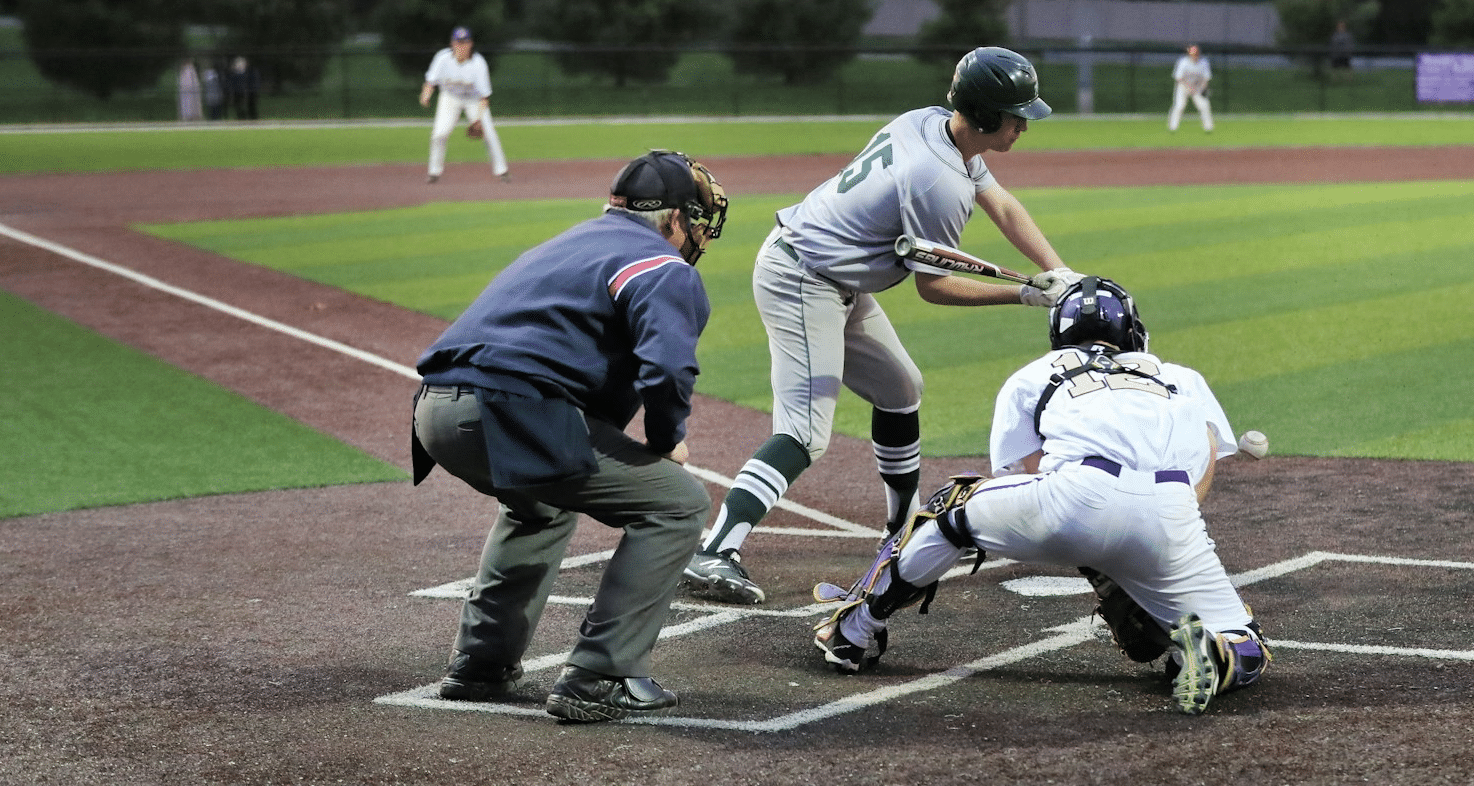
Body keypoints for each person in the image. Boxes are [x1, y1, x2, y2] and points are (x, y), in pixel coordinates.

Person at [679, 46, 1083, 606]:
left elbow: (1004, 205)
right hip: (802, 276)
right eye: (1015, 114)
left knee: (900, 388)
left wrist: (1058, 271)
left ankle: (902, 531)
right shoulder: (935, 181)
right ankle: (716, 550)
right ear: (986, 115)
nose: (1022, 124)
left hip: (840, 277)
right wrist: (1021, 294)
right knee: (804, 432)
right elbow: (933, 285)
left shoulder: (932, 124)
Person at [812, 277, 1271, 716]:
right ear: (1133, 331)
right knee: (1245, 638)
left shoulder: (1036, 373)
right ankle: (1212, 652)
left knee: (953, 508)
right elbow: (1203, 462)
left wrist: (1092, 546)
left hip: (1074, 497)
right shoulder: (1182, 377)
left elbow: (1022, 475)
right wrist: (1137, 563)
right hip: (1173, 511)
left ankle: (853, 629)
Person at [409, 149, 729, 723]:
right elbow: (668, 372)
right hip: (509, 411)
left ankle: (481, 664)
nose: (699, 231)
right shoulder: (663, 266)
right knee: (679, 504)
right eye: (694, 219)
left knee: (540, 506)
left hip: (433, 411)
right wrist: (664, 438)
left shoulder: (570, 241)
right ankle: (600, 674)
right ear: (675, 220)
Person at [420, 26, 510, 183]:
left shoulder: (478, 63)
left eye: (464, 42)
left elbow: (484, 97)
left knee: (489, 133)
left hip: (474, 100)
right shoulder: (442, 59)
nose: (461, 46)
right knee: (439, 134)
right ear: (452, 44)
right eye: (458, 42)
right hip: (450, 98)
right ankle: (434, 173)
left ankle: (502, 171)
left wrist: (478, 120)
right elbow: (430, 81)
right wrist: (425, 95)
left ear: (471, 44)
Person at [1167, 44, 1214, 134]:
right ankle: (1172, 127)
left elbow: (1206, 78)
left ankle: (1208, 128)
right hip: (1183, 86)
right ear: (1189, 54)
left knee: (1204, 106)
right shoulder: (1183, 62)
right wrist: (1189, 87)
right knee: (1179, 106)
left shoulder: (1204, 62)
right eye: (1193, 53)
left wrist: (1204, 88)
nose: (1195, 55)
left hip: (1197, 87)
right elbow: (1178, 78)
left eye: (1196, 53)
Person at [227, 56, 259, 120]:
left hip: (245, 91)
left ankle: (251, 116)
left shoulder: (249, 72)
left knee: (249, 105)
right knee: (238, 105)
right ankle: (242, 116)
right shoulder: (235, 74)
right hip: (238, 91)